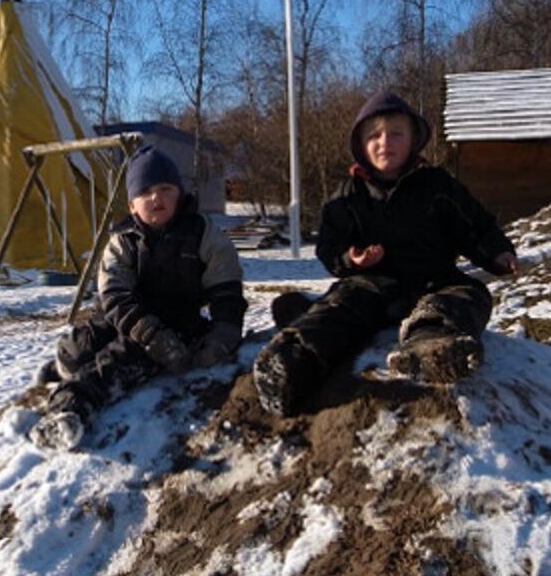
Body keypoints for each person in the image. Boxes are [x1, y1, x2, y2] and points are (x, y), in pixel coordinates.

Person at [253, 91, 519, 416]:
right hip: (372, 284)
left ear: (413, 140)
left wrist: (497, 253)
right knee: (342, 306)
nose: (385, 142)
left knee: (471, 294)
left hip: (435, 280)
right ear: (360, 144)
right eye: (374, 136)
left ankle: (430, 343)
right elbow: (329, 246)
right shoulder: (347, 195)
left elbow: (475, 225)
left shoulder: (437, 184)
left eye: (396, 134)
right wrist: (351, 259)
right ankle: (292, 362)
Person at [30, 145, 248, 449]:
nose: (156, 198)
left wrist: (224, 334)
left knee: (121, 360)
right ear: (132, 205)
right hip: (127, 315)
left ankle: (71, 408)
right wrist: (146, 330)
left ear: (180, 194)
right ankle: (63, 365)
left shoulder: (205, 234)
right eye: (145, 192)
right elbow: (114, 295)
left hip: (176, 320)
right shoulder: (123, 241)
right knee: (81, 348)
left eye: (165, 189)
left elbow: (226, 289)